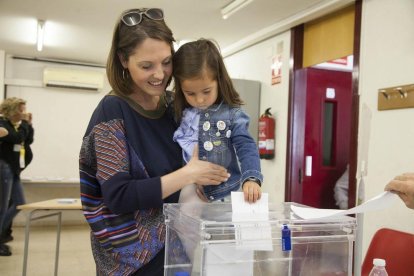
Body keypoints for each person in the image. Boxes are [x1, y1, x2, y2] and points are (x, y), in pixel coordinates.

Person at [79, 8, 229, 276]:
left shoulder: (175, 105)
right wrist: (188, 174)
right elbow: (118, 196)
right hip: (133, 262)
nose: (160, 74)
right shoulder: (112, 112)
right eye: (146, 66)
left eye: (167, 62)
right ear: (124, 60)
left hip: (177, 246)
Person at [172, 39, 263, 203]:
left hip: (223, 193)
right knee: (183, 228)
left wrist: (251, 178)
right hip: (188, 191)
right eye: (190, 93)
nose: (199, 100)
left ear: (219, 81)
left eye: (206, 91)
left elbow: (246, 146)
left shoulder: (232, 114)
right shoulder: (181, 114)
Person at [0, 98, 34, 256]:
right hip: (4, 169)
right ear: (12, 110)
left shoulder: (16, 126)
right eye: (21, 110)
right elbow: (17, 138)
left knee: (19, 203)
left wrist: (29, 124)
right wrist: (25, 124)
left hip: (13, 170)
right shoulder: (3, 124)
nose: (24, 112)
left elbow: (28, 139)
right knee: (2, 208)